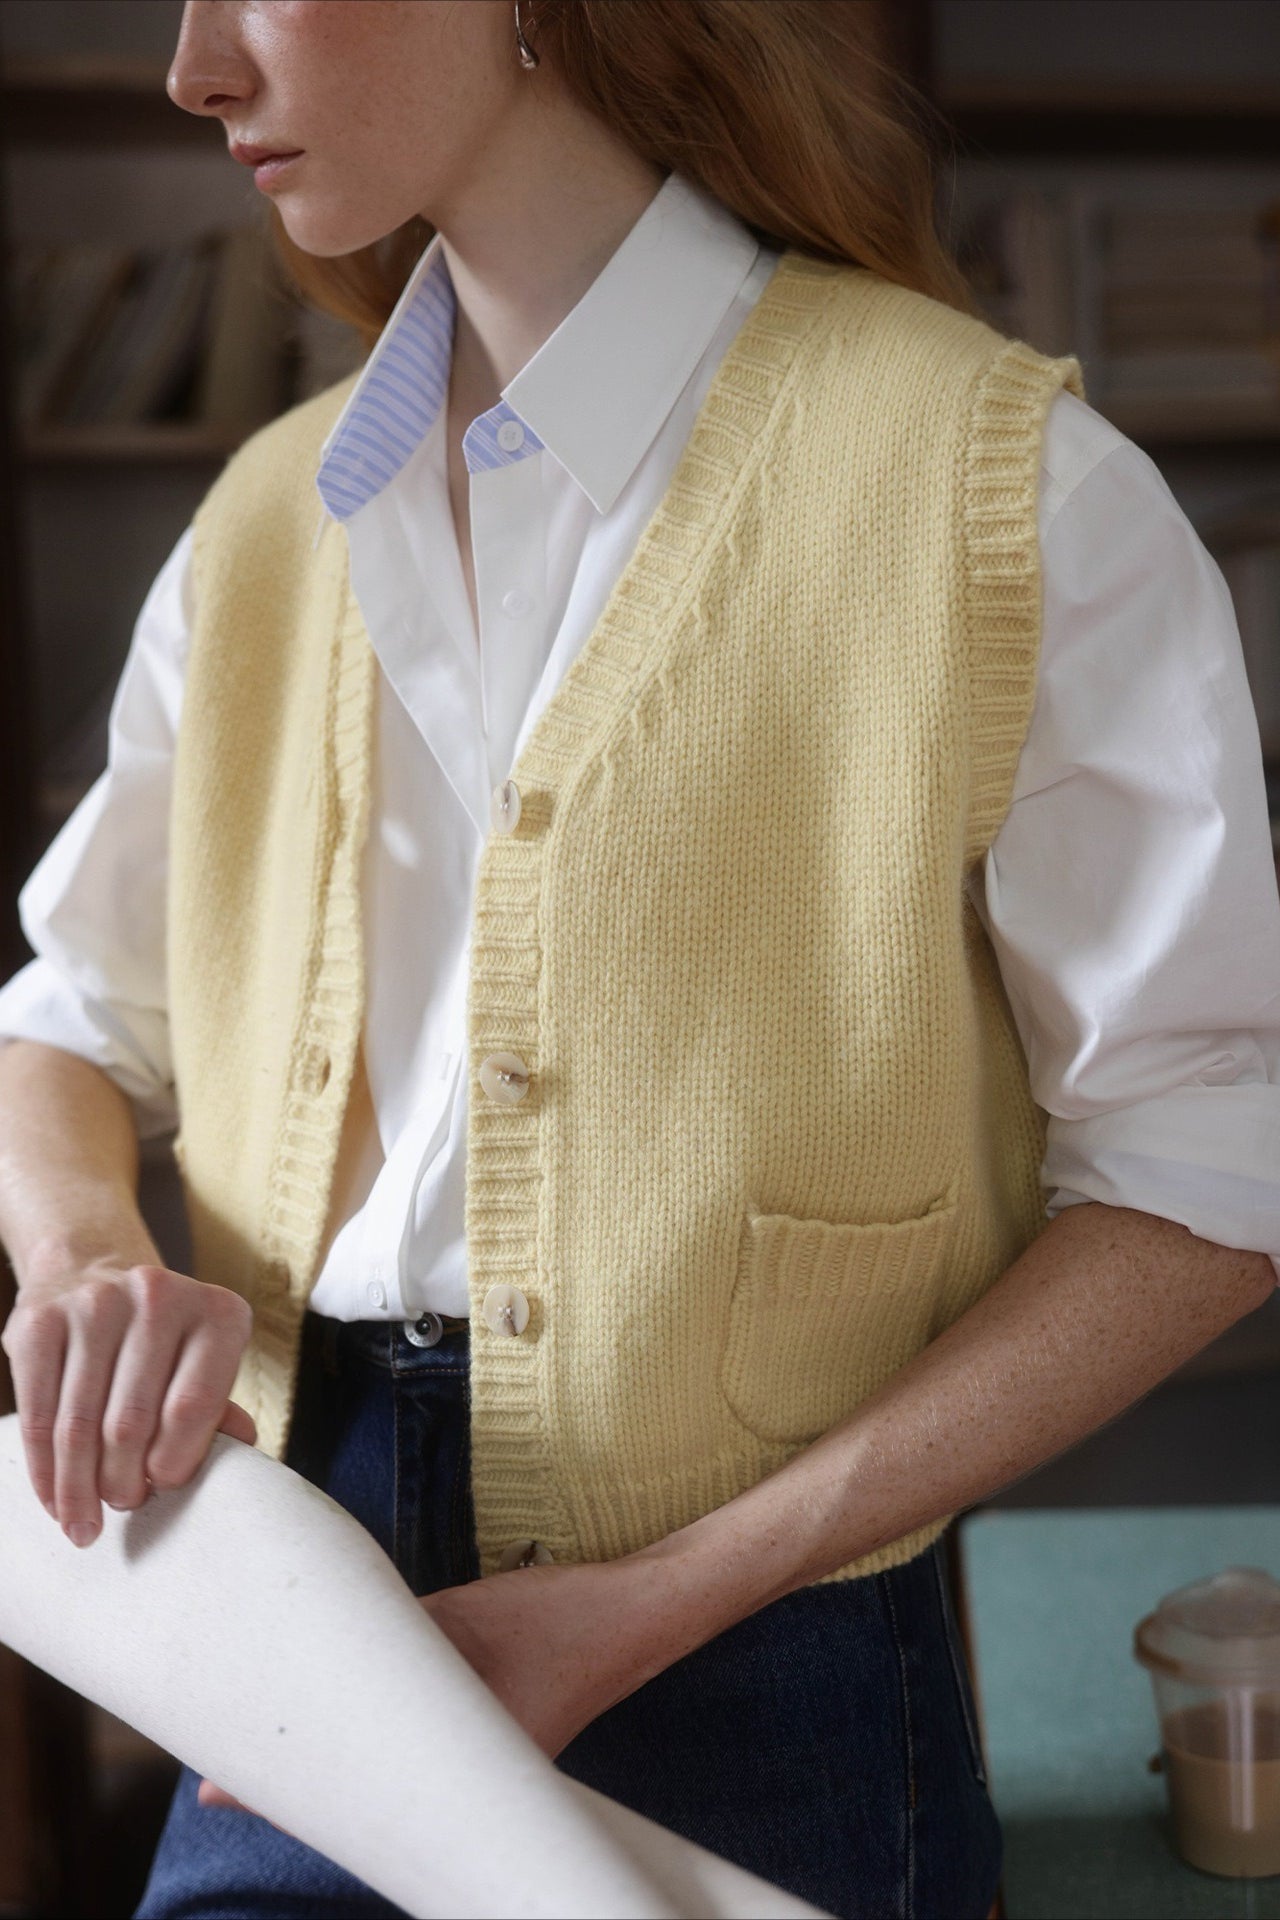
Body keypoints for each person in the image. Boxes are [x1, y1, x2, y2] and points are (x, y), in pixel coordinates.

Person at [0, 3, 1276, 1917]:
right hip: (289, 1584)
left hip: (773, 1624)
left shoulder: (1004, 486)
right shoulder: (261, 521)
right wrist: (87, 1254)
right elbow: (67, 1020)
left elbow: (1206, 1175)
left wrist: (666, 1592)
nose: (195, 69)